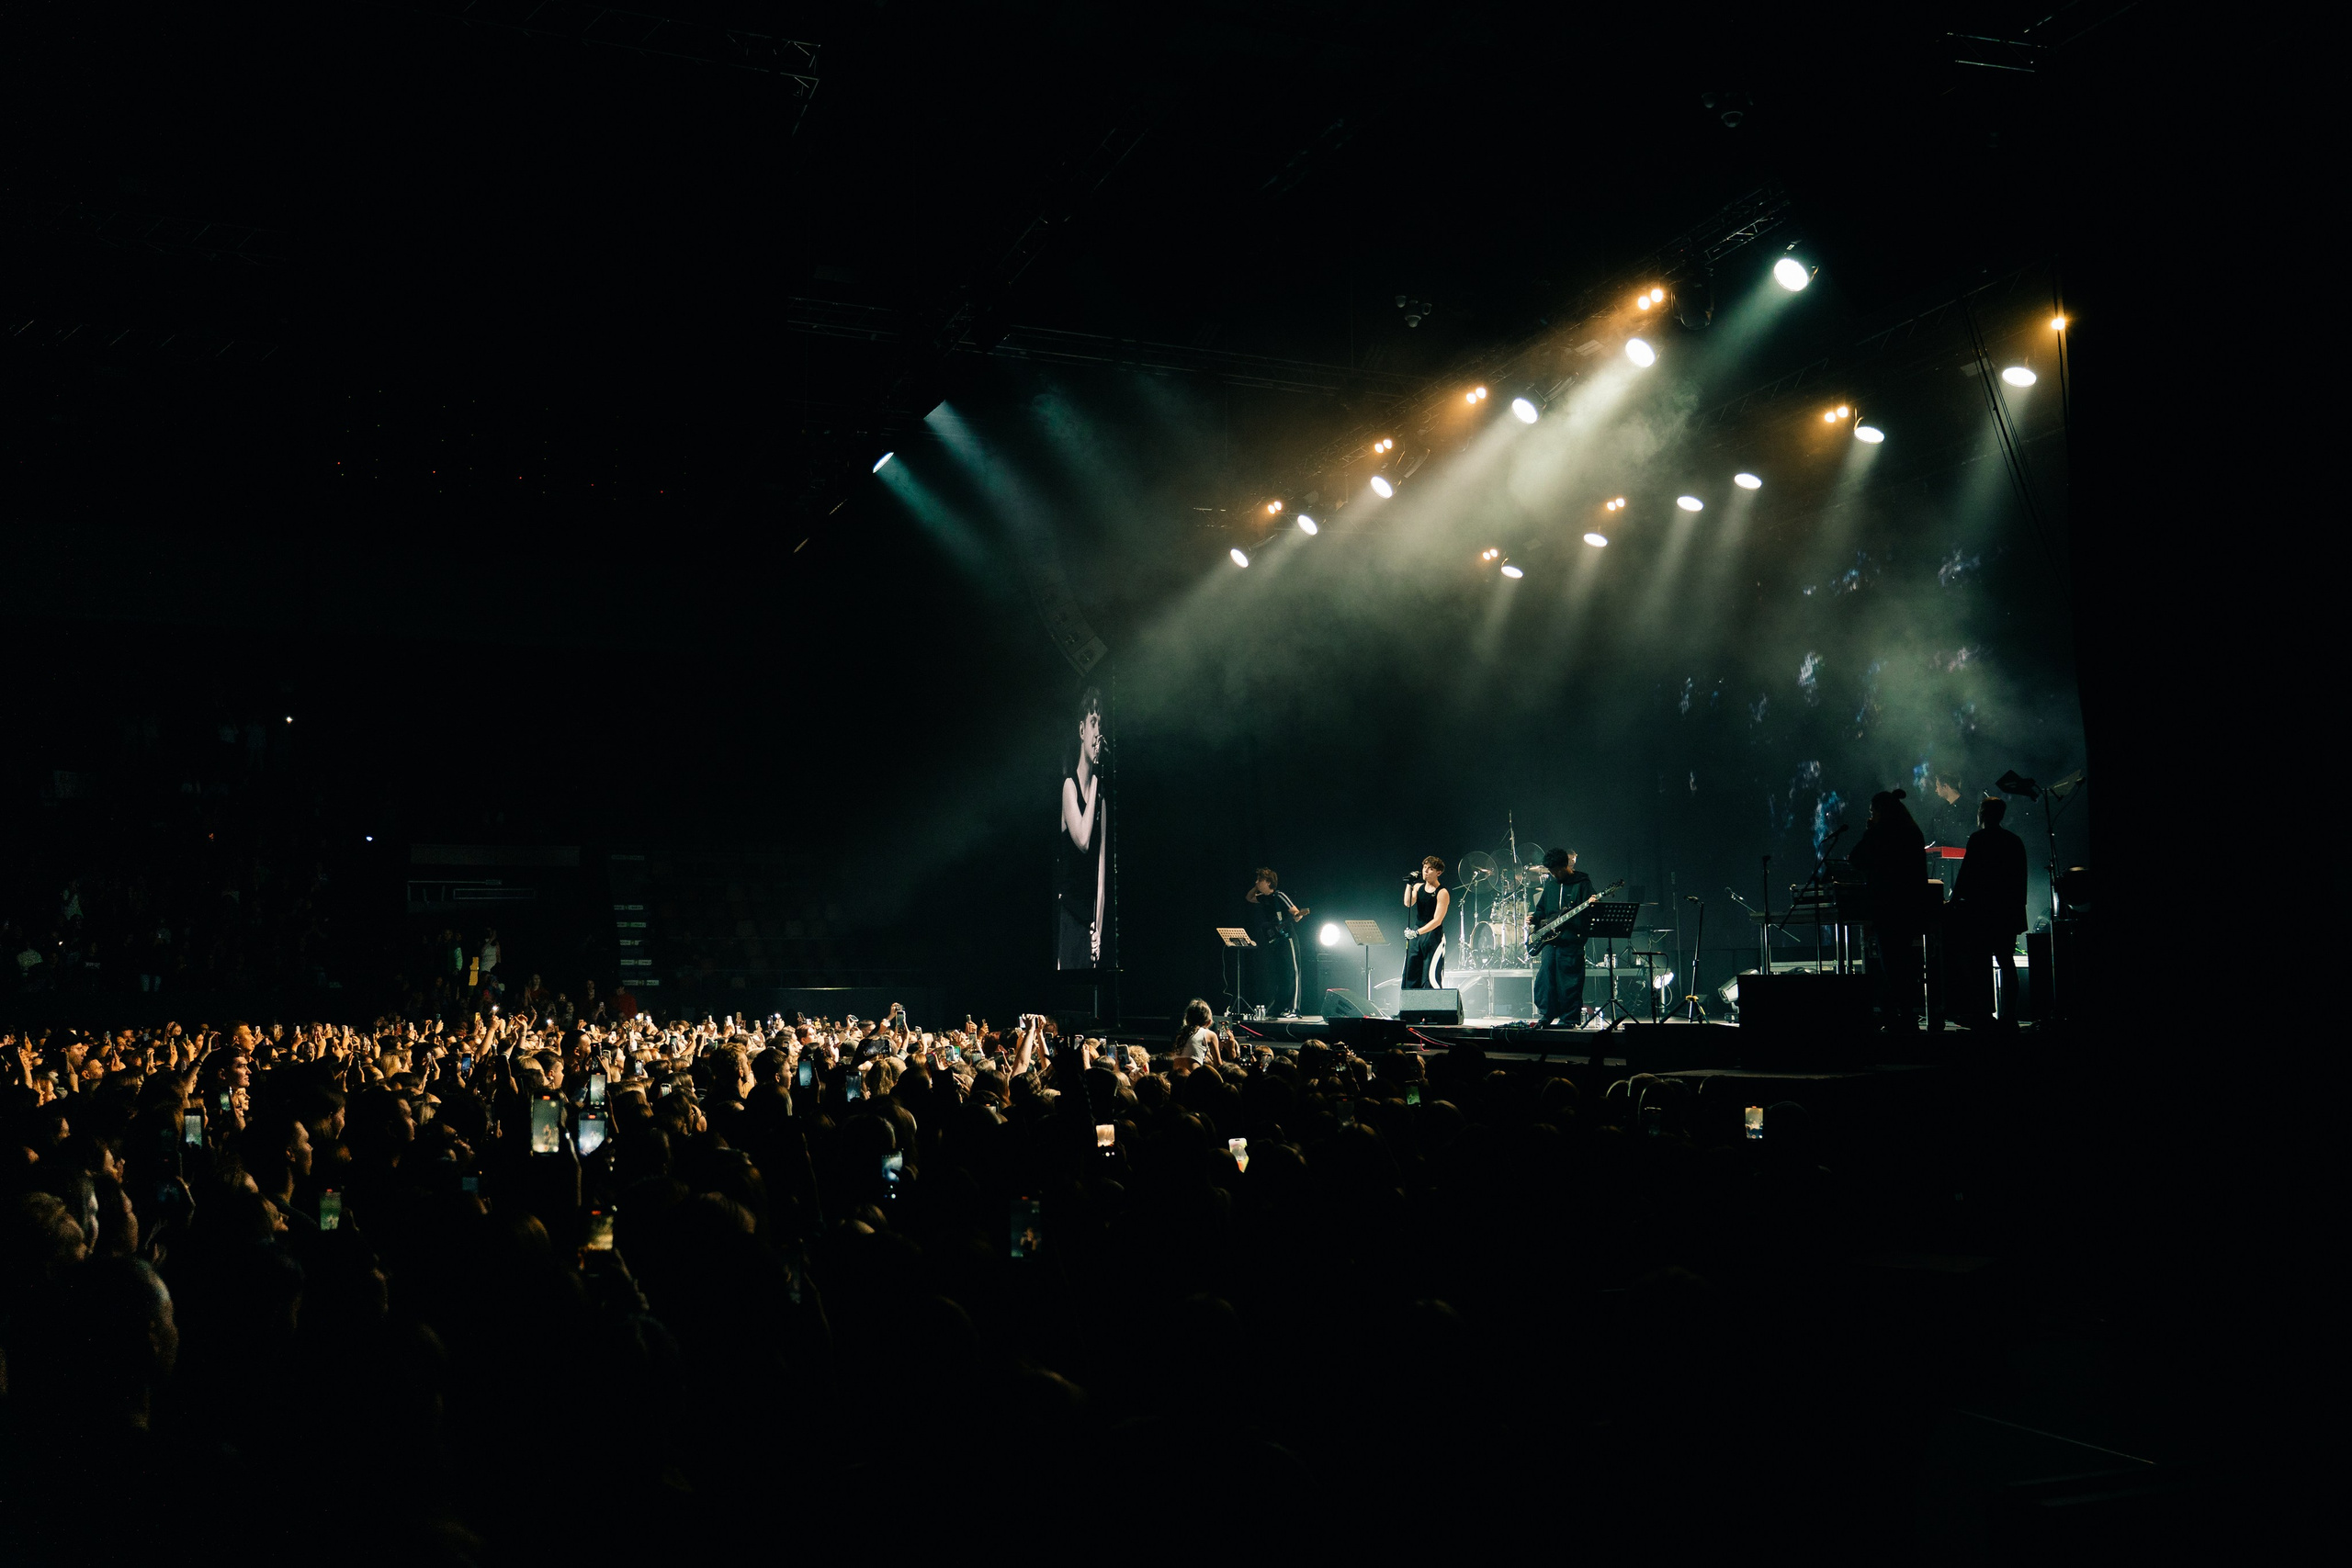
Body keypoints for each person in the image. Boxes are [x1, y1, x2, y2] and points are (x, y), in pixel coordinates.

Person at [1849, 788, 1928, 1031]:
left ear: (1880, 810)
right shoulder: (1913, 831)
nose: (1871, 815)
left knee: (1891, 965)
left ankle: (1894, 1018)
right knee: (1904, 963)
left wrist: (1870, 830)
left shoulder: (1881, 832)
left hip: (1886, 906)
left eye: (1873, 811)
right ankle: (1908, 1015)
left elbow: (1856, 858)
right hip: (1910, 906)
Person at [1951, 795, 2029, 1028]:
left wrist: (1953, 900)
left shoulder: (1978, 839)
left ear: (1982, 814)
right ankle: (2009, 1015)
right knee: (2006, 962)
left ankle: (1983, 1014)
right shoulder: (2014, 840)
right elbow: (2020, 879)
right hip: (2006, 912)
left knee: (1980, 963)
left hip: (1982, 911)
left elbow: (1966, 875)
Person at [1057, 686, 1107, 968]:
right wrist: (1098, 772)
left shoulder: (1101, 802)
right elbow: (1084, 840)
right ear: (1081, 730)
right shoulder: (1068, 787)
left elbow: (1101, 867)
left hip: (1090, 919)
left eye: (1101, 724)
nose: (1097, 732)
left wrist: (1098, 928)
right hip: (1070, 913)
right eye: (1093, 723)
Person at [1529, 847, 1594, 1027]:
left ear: (1565, 866)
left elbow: (1590, 911)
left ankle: (1569, 1019)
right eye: (1551, 871)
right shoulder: (1550, 885)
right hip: (1550, 941)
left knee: (1569, 981)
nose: (1554, 874)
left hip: (1571, 940)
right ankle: (1547, 1015)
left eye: (1556, 870)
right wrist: (1534, 918)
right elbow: (1542, 910)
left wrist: (1592, 905)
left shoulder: (1582, 883)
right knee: (1546, 978)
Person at [1243, 868, 1310, 1017]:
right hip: (1277, 939)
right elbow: (1249, 897)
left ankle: (1293, 1009)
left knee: (1293, 973)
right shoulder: (1263, 897)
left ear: (1268, 882)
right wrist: (1256, 887)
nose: (1257, 882)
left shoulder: (1279, 895)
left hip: (1288, 937)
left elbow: (1296, 913)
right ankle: (1279, 1007)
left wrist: (1298, 915)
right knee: (1281, 974)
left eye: (1259, 880)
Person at [1401, 857, 1450, 990]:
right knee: (1412, 971)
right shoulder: (1418, 887)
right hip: (1417, 934)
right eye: (1424, 868)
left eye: (1430, 869)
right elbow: (1408, 903)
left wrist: (1417, 932)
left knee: (1430, 974)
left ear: (1438, 872)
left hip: (1432, 935)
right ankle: (1410, 1008)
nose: (1426, 871)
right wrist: (1409, 884)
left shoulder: (1442, 892)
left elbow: (1437, 920)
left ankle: (1431, 1008)